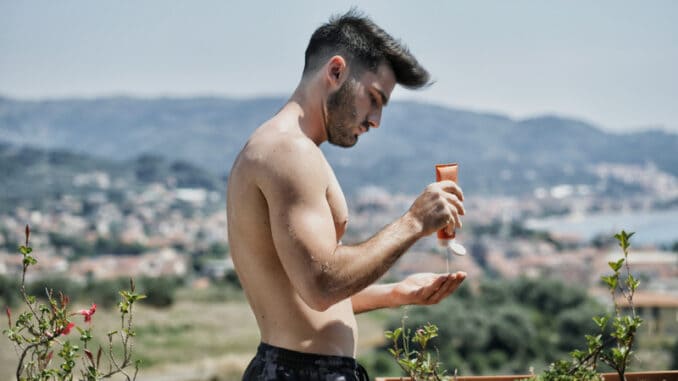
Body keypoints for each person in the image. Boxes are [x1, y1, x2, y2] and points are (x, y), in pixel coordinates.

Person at [227, 9, 466, 381]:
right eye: (373, 98)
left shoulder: (289, 149)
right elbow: (321, 286)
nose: (376, 120)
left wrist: (395, 293)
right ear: (336, 72)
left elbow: (303, 294)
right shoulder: (289, 152)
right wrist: (414, 222)